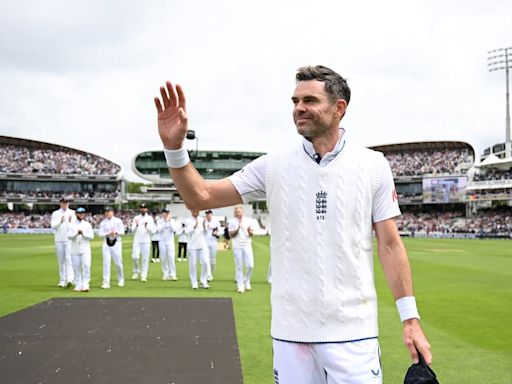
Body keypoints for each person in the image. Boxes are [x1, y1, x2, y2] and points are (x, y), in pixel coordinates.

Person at [154, 65, 432, 383]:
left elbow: (390, 244)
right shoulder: (273, 166)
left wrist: (410, 319)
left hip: (354, 334)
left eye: (310, 100)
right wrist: (174, 149)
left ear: (339, 108)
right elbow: (200, 198)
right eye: (295, 101)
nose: (299, 108)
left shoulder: (373, 165)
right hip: (291, 335)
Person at [50, 197, 75, 287]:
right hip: (58, 239)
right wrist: (60, 221)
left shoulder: (72, 213)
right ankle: (62, 280)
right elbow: (53, 226)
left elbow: (74, 227)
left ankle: (70, 279)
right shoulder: (55, 213)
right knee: (61, 260)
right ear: (60, 203)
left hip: (68, 239)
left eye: (66, 203)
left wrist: (68, 222)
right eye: (63, 203)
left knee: (69, 259)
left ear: (68, 204)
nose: (64, 204)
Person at [67, 207, 94, 292]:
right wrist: (76, 233)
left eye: (82, 213)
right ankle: (78, 284)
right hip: (74, 249)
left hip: (85, 249)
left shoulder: (87, 224)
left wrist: (83, 234)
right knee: (76, 267)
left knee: (86, 266)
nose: (81, 215)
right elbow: (69, 236)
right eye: (79, 213)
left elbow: (91, 236)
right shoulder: (71, 224)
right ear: (76, 214)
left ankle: (86, 284)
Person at [228, 206, 254, 293]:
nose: (237, 213)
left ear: (242, 212)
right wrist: (238, 228)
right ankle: (240, 285)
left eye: (239, 211)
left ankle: (246, 280)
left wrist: (250, 232)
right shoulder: (232, 222)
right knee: (239, 266)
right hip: (237, 245)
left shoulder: (248, 220)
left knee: (250, 265)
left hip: (247, 244)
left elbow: (251, 234)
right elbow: (231, 235)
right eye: (236, 212)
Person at [98, 206, 125, 289]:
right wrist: (107, 234)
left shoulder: (118, 221)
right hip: (106, 243)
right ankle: (106, 282)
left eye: (109, 211)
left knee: (118, 262)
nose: (107, 213)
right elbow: (100, 234)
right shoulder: (103, 222)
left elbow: (123, 232)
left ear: (112, 212)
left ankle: (121, 279)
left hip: (116, 242)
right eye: (106, 212)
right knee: (106, 263)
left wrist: (115, 233)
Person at [184, 209, 209, 289]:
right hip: (192, 246)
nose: (196, 212)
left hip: (202, 245)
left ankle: (203, 280)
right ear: (191, 211)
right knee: (193, 265)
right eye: (194, 211)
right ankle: (194, 282)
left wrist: (205, 226)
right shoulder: (187, 220)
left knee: (205, 262)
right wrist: (194, 226)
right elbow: (187, 232)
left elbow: (206, 232)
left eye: (197, 211)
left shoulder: (202, 219)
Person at [131, 203, 156, 282]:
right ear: (140, 209)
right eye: (141, 208)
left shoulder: (150, 218)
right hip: (137, 240)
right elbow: (132, 230)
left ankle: (143, 275)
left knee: (145, 259)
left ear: (146, 209)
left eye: (144, 208)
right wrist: (137, 225)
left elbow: (153, 231)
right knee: (135, 257)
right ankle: (136, 271)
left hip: (146, 241)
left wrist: (146, 226)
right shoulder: (136, 218)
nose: (143, 209)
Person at [157, 208, 179, 280]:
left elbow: (174, 230)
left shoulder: (172, 221)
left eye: (167, 213)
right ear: (162, 214)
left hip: (170, 241)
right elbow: (159, 230)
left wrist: (169, 222)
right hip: (162, 241)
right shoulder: (159, 221)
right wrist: (165, 222)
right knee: (163, 258)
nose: (166, 214)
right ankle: (165, 273)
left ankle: (173, 274)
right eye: (165, 213)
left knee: (171, 257)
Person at [204, 209, 221, 281]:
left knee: (212, 260)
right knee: (206, 260)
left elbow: (220, 231)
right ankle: (208, 275)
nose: (208, 215)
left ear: (211, 214)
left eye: (209, 214)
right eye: (207, 214)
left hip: (213, 242)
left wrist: (216, 233)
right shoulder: (203, 222)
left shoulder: (216, 222)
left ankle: (211, 273)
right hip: (205, 242)